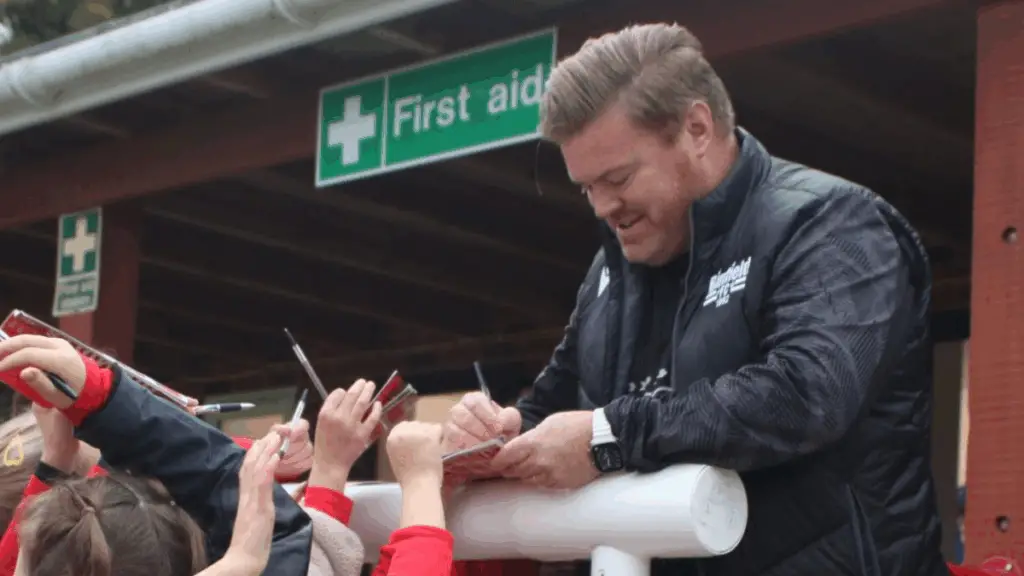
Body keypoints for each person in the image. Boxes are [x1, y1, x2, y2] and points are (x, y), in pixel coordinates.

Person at [444, 22, 947, 576]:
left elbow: (806, 395)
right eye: (586, 187)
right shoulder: (614, 263)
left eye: (618, 177)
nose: (602, 207)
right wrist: (499, 430)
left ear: (697, 128)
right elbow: (562, 402)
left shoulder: (831, 223)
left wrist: (606, 439)